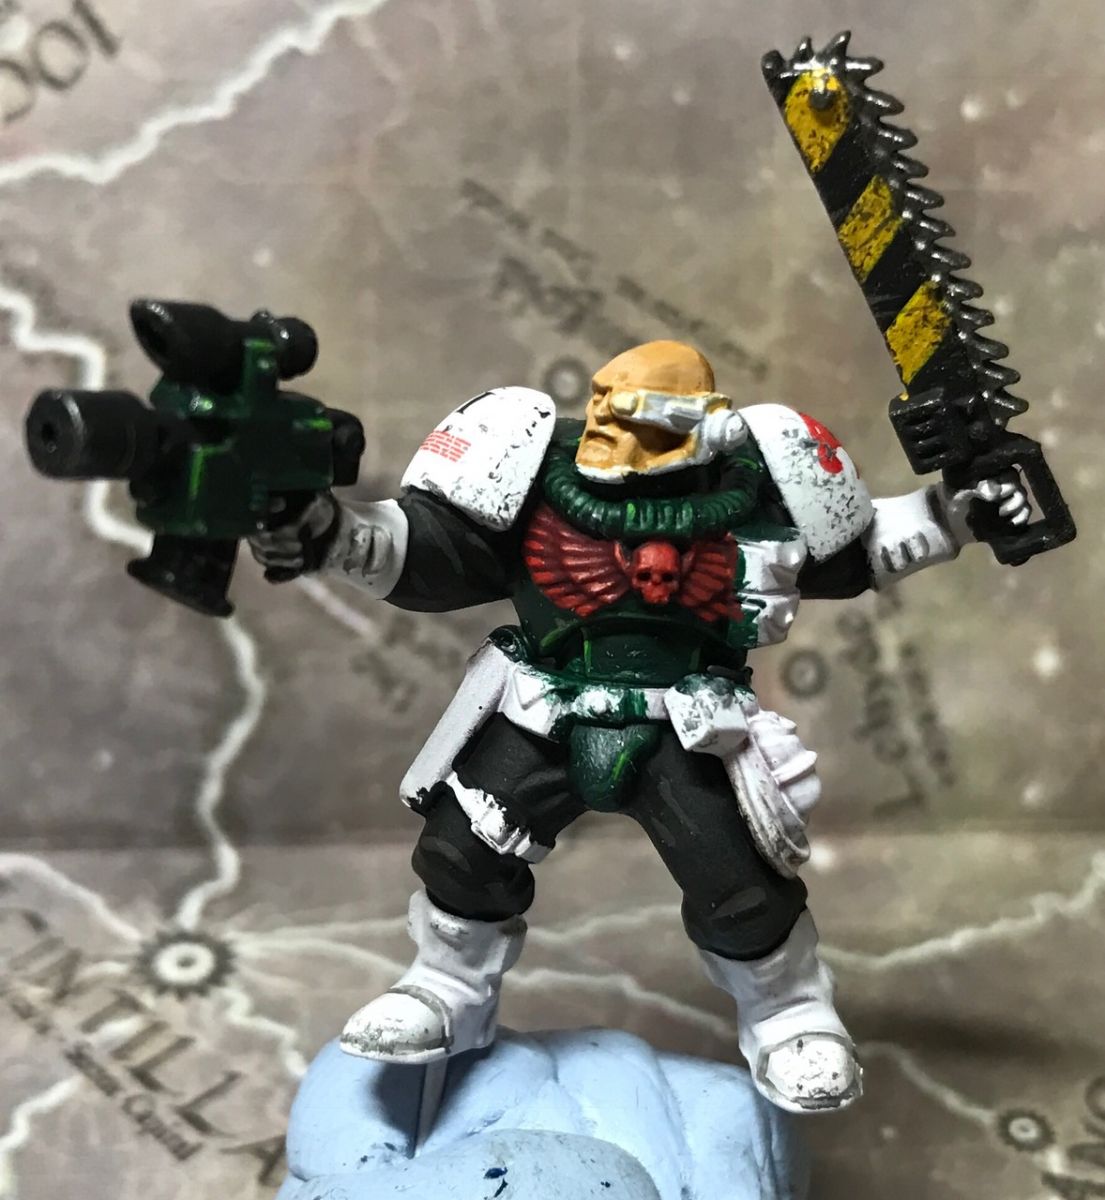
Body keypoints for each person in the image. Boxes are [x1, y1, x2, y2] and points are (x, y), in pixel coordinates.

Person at [249, 339, 1027, 1113]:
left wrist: (955, 514)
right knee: (460, 852)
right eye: (603, 411)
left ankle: (787, 1012)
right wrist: (326, 531)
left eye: (634, 422)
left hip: (685, 725)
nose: (606, 436)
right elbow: (430, 554)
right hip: (543, 709)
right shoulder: (530, 470)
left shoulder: (756, 486)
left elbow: (851, 552)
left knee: (739, 888)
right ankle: (446, 986)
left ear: (701, 427)